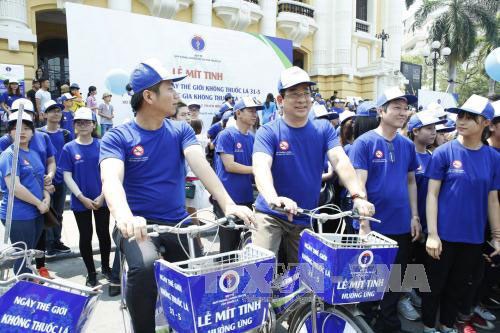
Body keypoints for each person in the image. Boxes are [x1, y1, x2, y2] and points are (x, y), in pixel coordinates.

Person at [99, 58, 254, 332]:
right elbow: (111, 179)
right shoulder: (118, 137)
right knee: (145, 267)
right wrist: (124, 216)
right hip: (140, 228)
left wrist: (228, 204)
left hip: (179, 224)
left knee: (198, 276)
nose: (177, 95)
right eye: (170, 88)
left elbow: (200, 164)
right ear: (148, 96)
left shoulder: (180, 130)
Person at [252, 66, 374, 266]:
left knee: (305, 278)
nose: (302, 99)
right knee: (260, 272)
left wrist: (358, 196)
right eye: (294, 94)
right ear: (280, 100)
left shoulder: (323, 128)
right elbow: (261, 167)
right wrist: (274, 198)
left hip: (304, 215)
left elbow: (340, 160)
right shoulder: (268, 131)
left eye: (306, 93)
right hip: (271, 214)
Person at [423, 95, 500, 333]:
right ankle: (427, 326)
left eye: (469, 118)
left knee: (458, 286)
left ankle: (447, 325)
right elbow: (432, 194)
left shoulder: (493, 158)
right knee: (432, 285)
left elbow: (492, 199)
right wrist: (433, 233)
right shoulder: (444, 152)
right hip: (443, 235)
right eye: (460, 116)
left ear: (485, 123)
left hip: (473, 237)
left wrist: (497, 236)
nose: (462, 121)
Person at [349, 87, 421, 332]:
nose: (403, 112)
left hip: (402, 223)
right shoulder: (365, 143)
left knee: (396, 278)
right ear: (381, 111)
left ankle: (388, 321)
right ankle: (365, 320)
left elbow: (411, 181)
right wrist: (364, 225)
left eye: (405, 107)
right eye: (396, 107)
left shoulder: (407, 145)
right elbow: (359, 185)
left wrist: (415, 216)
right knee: (371, 280)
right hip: (376, 226)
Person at [60, 107, 110, 287]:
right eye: (79, 122)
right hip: (80, 201)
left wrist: (103, 195)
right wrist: (81, 197)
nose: (82, 125)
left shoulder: (102, 145)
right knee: (85, 236)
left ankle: (106, 268)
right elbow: (67, 175)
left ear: (93, 125)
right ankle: (91, 273)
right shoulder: (69, 148)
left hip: (101, 200)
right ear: (74, 125)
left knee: (103, 234)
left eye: (86, 122)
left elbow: (109, 172)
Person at [0, 112, 49, 274]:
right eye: (16, 128)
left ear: (33, 132)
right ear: (10, 132)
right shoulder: (9, 155)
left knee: (29, 253)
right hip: (19, 214)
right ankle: (21, 291)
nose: (22, 132)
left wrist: (47, 198)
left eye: (26, 128)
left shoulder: (33, 153)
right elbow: (15, 187)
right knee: (22, 256)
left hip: (38, 211)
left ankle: (27, 285)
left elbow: (39, 181)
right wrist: (39, 203)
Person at [215, 96, 261, 252]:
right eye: (250, 110)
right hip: (227, 199)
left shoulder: (253, 138)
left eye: (256, 111)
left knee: (244, 244)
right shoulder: (226, 135)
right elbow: (230, 165)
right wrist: (257, 168)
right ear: (238, 113)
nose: (254, 114)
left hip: (246, 197)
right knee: (228, 247)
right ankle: (223, 276)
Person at [38, 100, 73, 257]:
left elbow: (69, 155)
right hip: (43, 180)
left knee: (58, 212)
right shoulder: (38, 133)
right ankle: (48, 244)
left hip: (60, 179)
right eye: (52, 111)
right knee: (46, 212)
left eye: (58, 111)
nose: (56, 113)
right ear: (44, 114)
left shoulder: (65, 134)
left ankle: (57, 241)